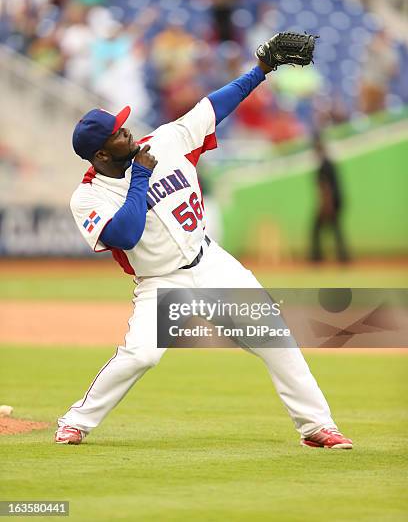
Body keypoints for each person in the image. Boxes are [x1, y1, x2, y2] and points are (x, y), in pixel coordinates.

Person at [55, 38, 352, 449]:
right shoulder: (88, 196)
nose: (129, 131)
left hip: (210, 262)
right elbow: (125, 234)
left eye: (124, 124)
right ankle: (75, 421)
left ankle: (317, 427)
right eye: (119, 133)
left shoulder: (166, 142)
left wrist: (261, 69)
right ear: (101, 154)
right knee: (142, 354)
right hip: (161, 283)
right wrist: (140, 177)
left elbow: (214, 106)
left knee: (275, 336)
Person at [310, 137, 350, 263]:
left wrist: (327, 206)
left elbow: (326, 187)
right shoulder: (329, 164)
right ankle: (343, 257)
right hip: (336, 200)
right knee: (335, 228)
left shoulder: (324, 166)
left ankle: (317, 257)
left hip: (331, 202)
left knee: (317, 228)